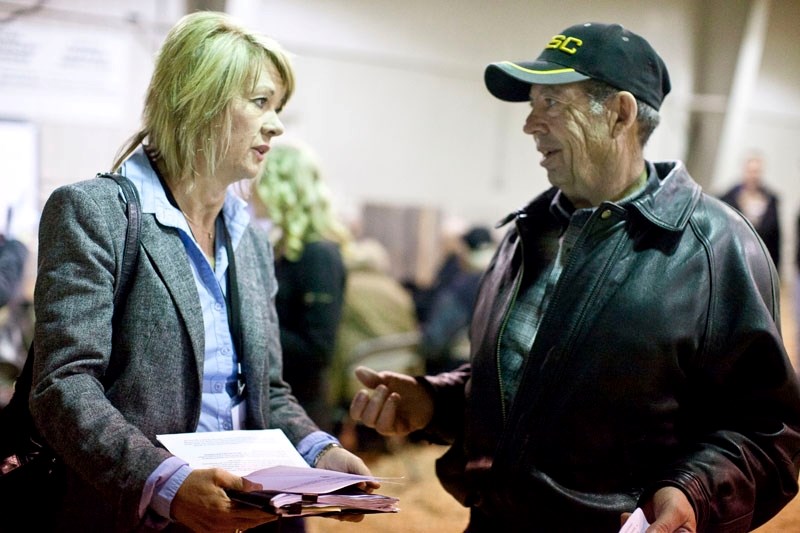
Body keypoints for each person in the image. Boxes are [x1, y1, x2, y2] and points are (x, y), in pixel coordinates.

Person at [350, 21, 800, 532]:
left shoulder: (717, 249)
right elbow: (525, 383)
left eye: (552, 104)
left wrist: (693, 493)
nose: (530, 125)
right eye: (531, 105)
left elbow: (768, 429)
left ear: (619, 114)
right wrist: (434, 400)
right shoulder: (528, 232)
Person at [28, 12, 374, 532]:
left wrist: (319, 453)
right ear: (199, 100)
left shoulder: (251, 239)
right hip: (131, 517)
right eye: (261, 102)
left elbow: (267, 391)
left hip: (246, 514)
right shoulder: (94, 211)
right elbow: (64, 384)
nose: (277, 124)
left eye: (278, 108)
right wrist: (163, 482)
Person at [253, 142, 351, 435]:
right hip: (278, 399)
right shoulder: (283, 249)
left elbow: (317, 349)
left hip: (301, 406)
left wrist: (249, 326)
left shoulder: (318, 254)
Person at [419, 225, 495, 374]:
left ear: (466, 251)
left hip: (459, 371)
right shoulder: (508, 279)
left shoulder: (465, 285)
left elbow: (435, 340)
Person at [719, 153, 781, 268]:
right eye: (750, 171)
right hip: (729, 259)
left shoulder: (771, 201)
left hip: (758, 262)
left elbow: (775, 238)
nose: (753, 176)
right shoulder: (728, 198)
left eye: (756, 172)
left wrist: (775, 269)